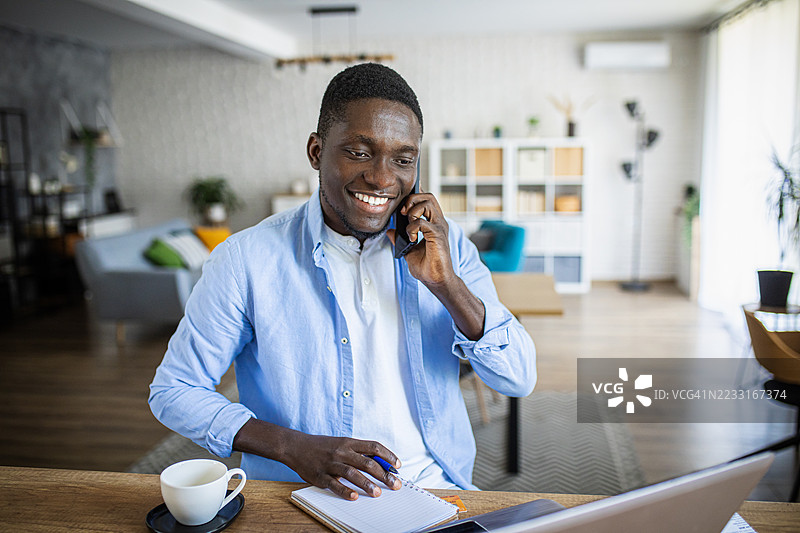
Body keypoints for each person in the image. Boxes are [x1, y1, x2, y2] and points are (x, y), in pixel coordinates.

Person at [149, 63, 536, 501]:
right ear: (316, 151)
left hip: (436, 489)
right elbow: (174, 390)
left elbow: (518, 379)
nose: (383, 178)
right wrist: (292, 447)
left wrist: (447, 284)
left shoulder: (448, 248)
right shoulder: (246, 259)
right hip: (299, 494)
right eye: (359, 152)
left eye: (403, 160)